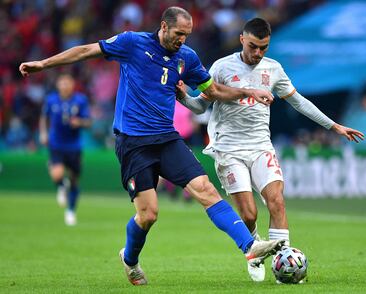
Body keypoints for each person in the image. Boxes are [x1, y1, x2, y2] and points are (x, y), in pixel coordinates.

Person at [19, 7, 284, 286]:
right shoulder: (132, 43)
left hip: (166, 138)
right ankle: (130, 259)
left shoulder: (187, 58)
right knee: (148, 214)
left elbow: (212, 91)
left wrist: (248, 92)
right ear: (164, 27)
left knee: (205, 188)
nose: (183, 39)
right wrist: (44, 64)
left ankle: (248, 246)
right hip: (133, 143)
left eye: (187, 34)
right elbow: (86, 50)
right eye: (179, 33)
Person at [176, 17, 365, 282]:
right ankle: (253, 251)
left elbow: (299, 102)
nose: (257, 53)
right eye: (253, 46)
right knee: (249, 214)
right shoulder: (221, 67)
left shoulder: (273, 69)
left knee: (277, 201)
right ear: (242, 39)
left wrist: (333, 126)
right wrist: (184, 96)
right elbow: (200, 107)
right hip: (228, 149)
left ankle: (284, 265)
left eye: (263, 48)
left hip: (261, 146)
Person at [39, 73, 91, 226]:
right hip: (56, 144)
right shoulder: (51, 100)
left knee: (75, 180)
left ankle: (71, 211)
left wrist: (79, 122)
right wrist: (43, 133)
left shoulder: (80, 100)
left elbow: (88, 122)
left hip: (74, 146)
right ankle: (62, 186)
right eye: (62, 83)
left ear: (72, 85)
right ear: (58, 85)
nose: (65, 86)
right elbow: (44, 117)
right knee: (57, 174)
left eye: (68, 83)